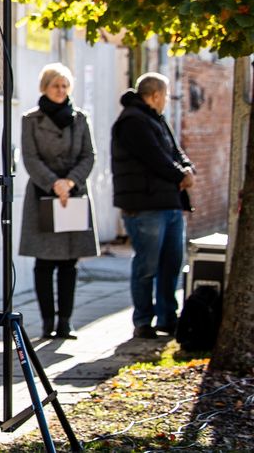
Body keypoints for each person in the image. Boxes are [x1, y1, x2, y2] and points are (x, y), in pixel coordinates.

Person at [18, 63, 100, 340]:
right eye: (56, 85)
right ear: (45, 88)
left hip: (73, 195)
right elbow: (30, 158)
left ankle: (65, 322)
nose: (61, 91)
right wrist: (54, 182)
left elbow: (89, 155)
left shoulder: (80, 119)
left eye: (65, 86)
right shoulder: (31, 119)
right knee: (44, 263)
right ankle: (47, 322)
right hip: (43, 194)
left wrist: (70, 182)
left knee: (69, 262)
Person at [110, 72, 195, 340]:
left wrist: (188, 168)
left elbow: (175, 152)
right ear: (155, 95)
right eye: (167, 95)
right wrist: (182, 175)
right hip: (145, 206)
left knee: (171, 264)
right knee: (147, 265)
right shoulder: (133, 121)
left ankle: (168, 318)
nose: (168, 100)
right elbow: (156, 159)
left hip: (169, 203)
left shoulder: (155, 118)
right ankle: (143, 320)